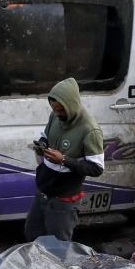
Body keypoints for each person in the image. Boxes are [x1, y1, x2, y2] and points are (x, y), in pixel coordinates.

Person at [25, 77, 104, 241]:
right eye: (54, 109)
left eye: (61, 110)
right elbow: (45, 136)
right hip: (44, 191)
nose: (57, 114)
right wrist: (41, 145)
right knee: (32, 236)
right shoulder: (55, 116)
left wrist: (64, 160)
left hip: (64, 199)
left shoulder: (90, 130)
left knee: (58, 247)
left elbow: (96, 168)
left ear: (72, 105)